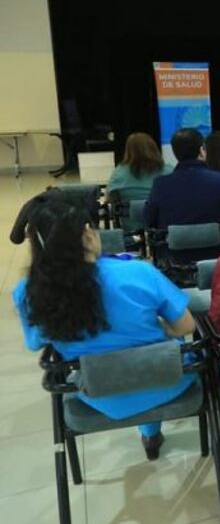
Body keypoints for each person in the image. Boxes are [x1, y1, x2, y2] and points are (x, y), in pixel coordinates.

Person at [14, 195, 196, 459]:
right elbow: (185, 325)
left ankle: (150, 434)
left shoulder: (29, 292)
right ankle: (150, 433)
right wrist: (160, 331)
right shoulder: (138, 272)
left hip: (98, 392)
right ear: (88, 233)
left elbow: (35, 342)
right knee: (153, 351)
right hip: (169, 380)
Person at [144, 128, 220, 233]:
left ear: (175, 153)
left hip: (174, 248)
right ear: (202, 150)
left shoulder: (160, 184)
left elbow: (149, 221)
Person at [107, 132, 172, 231]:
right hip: (163, 228)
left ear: (128, 151)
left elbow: (110, 198)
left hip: (131, 230)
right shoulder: (168, 171)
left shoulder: (118, 173)